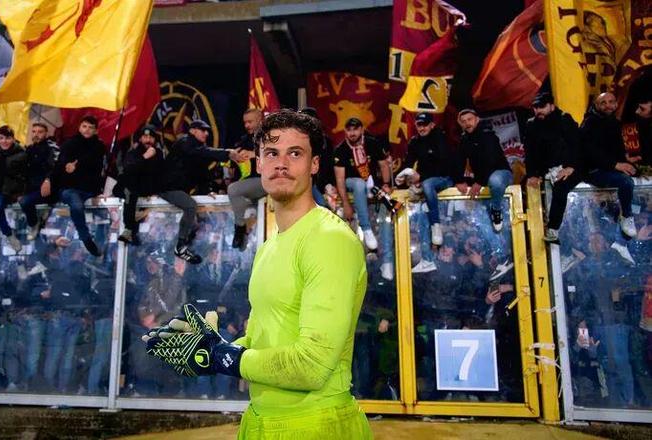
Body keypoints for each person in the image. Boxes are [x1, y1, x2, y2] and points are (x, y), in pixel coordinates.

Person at [143, 109, 373, 439]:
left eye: (295, 153)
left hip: (317, 424)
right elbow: (261, 342)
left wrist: (223, 358)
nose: (282, 163)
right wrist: (208, 349)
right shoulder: (269, 246)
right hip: (260, 421)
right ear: (259, 164)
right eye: (271, 153)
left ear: (314, 165)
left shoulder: (329, 239)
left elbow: (313, 365)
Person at [160, 119, 246, 264]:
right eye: (202, 130)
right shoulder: (185, 142)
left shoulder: (199, 150)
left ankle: (183, 246)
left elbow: (202, 173)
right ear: (192, 130)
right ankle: (180, 247)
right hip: (167, 188)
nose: (206, 133)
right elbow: (200, 153)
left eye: (207, 131)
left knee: (198, 219)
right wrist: (227, 153)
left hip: (179, 189)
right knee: (190, 206)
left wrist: (207, 190)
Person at [42, 115, 106, 256]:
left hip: (90, 190)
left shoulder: (100, 147)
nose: (87, 130)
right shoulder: (69, 144)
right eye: (84, 126)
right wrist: (49, 180)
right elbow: (59, 165)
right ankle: (86, 238)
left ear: (96, 130)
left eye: (90, 127)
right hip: (70, 189)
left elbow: (96, 166)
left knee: (105, 214)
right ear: (79, 127)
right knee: (76, 206)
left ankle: (103, 249)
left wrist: (78, 165)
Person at [524, 92, 582, 243]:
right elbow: (530, 152)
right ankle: (530, 241)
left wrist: (571, 166)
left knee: (561, 187)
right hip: (546, 169)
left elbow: (577, 146)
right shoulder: (531, 124)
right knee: (527, 186)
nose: (538, 111)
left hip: (571, 167)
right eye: (535, 107)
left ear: (552, 106)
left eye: (542, 107)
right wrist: (532, 174)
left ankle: (553, 229)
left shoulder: (564, 119)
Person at [580, 92, 637, 238]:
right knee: (626, 182)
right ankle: (627, 216)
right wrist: (616, 165)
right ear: (596, 105)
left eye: (611, 102)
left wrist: (628, 161)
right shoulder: (589, 123)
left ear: (616, 104)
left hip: (611, 170)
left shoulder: (615, 123)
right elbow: (589, 153)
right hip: (593, 172)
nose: (608, 106)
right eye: (603, 103)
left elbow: (617, 151)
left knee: (634, 175)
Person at [396, 112, 454, 249]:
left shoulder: (441, 137)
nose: (422, 128)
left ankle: (436, 226)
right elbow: (408, 163)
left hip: (444, 178)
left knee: (427, 185)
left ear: (432, 125)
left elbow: (445, 165)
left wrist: (421, 178)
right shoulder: (415, 142)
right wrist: (400, 180)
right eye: (419, 125)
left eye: (425, 125)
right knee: (414, 190)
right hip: (424, 180)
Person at [334, 117, 391, 250]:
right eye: (349, 130)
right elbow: (340, 179)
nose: (352, 133)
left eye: (355, 129)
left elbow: (384, 165)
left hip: (371, 183)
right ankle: (366, 229)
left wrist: (386, 184)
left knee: (382, 199)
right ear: (345, 131)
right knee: (359, 184)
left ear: (362, 129)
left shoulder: (372, 143)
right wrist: (346, 204)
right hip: (350, 182)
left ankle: (385, 252)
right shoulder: (341, 149)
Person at [455, 109, 513, 232]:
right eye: (463, 121)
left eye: (469, 119)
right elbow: (459, 160)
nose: (467, 123)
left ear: (477, 120)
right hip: (482, 178)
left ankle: (496, 210)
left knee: (495, 180)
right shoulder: (464, 139)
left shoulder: (488, 135)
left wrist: (479, 181)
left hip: (501, 173)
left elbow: (491, 160)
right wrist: (459, 180)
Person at [113, 125, 164, 245]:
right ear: (140, 139)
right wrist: (145, 157)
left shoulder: (159, 154)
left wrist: (157, 191)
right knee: (129, 191)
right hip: (132, 188)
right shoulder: (133, 153)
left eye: (151, 137)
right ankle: (129, 230)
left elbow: (160, 173)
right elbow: (129, 170)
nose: (148, 140)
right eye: (145, 137)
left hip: (149, 189)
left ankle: (132, 233)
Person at [229, 108, 265, 250]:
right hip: (253, 185)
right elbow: (234, 163)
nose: (247, 125)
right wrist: (234, 157)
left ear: (260, 120)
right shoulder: (244, 140)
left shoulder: (271, 135)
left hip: (270, 181)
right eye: (245, 122)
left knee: (233, 190)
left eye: (250, 122)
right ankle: (244, 238)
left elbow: (278, 153)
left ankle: (239, 228)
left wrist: (254, 154)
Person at [20, 122, 59, 240]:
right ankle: (35, 224)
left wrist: (48, 180)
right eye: (34, 131)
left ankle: (34, 225)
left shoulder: (52, 148)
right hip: (31, 188)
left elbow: (55, 168)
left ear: (46, 133)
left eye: (40, 132)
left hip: (48, 188)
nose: (36, 134)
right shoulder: (29, 149)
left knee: (25, 202)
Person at [0, 125, 27, 253]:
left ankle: (8, 233)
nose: (4, 141)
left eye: (7, 138)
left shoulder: (21, 154)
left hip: (5, 190)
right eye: (1, 138)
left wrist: (21, 192)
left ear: (13, 139)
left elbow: (24, 176)